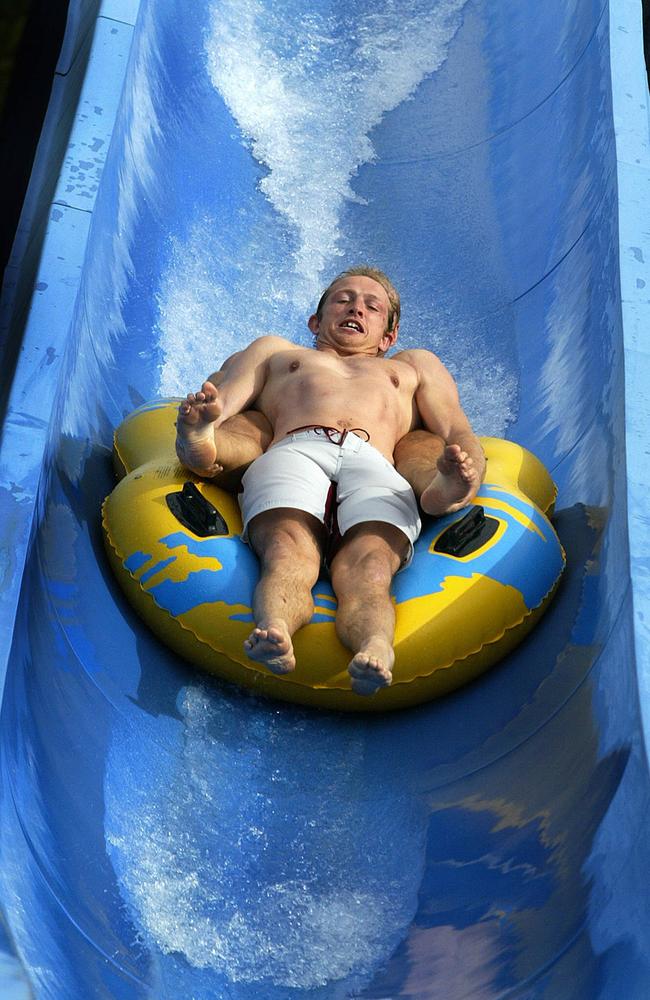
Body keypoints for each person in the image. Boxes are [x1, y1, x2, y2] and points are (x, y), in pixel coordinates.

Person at [175, 267, 485, 696]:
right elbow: (223, 401)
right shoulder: (277, 353)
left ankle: (376, 644)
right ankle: (275, 628)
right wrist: (207, 419)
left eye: (372, 306)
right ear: (315, 323)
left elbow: (456, 428)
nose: (356, 306)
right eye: (343, 299)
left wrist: (469, 470)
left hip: (375, 462)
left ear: (388, 337)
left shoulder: (411, 368)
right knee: (286, 549)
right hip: (295, 448)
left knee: (372, 566)